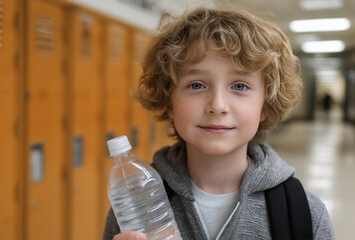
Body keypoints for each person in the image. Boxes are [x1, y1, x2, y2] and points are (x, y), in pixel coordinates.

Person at [103, 7, 335, 240]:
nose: (218, 105)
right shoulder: (133, 210)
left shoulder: (306, 214)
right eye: (196, 85)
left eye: (240, 86)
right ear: (169, 102)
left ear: (265, 105)